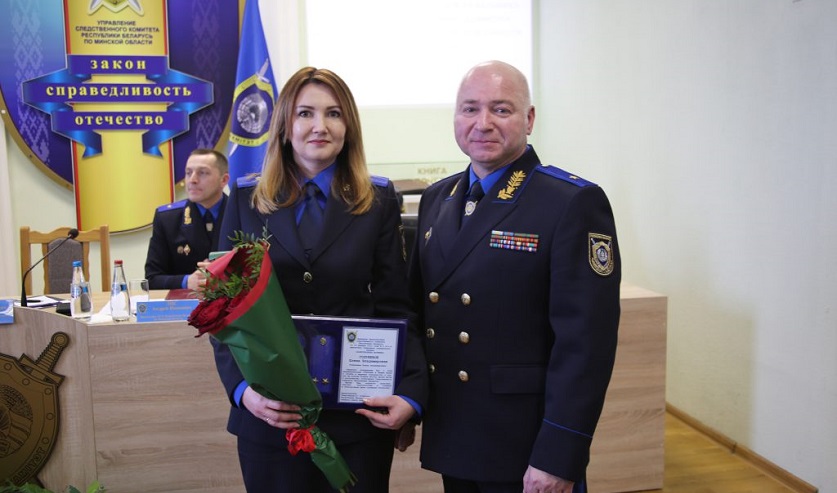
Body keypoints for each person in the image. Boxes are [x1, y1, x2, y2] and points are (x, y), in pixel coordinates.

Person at [408, 60, 621, 493]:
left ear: (529, 119)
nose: (483, 123)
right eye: (470, 109)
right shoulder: (436, 199)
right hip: (455, 432)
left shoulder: (570, 202)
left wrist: (559, 455)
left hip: (526, 446)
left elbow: (586, 345)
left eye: (501, 109)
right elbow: (417, 311)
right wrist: (408, 396)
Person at [212, 67, 428, 493]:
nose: (320, 126)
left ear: (348, 127)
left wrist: (411, 393)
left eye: (333, 114)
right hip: (271, 414)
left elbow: (396, 305)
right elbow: (223, 309)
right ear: (284, 126)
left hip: (357, 418)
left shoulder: (378, 200)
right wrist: (242, 392)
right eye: (305, 113)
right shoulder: (246, 198)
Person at [144, 148, 230, 290]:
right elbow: (152, 279)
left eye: (202, 173)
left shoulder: (242, 214)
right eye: (188, 173)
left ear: (224, 180)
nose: (192, 180)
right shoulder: (167, 219)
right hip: (186, 301)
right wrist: (187, 281)